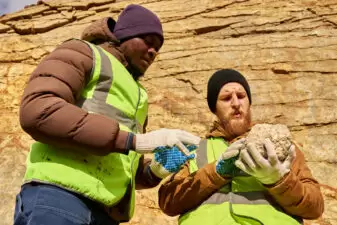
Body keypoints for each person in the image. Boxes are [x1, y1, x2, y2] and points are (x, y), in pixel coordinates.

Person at [13, 4, 200, 225]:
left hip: (105, 216)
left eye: (157, 48)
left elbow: (125, 162)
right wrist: (134, 140)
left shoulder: (139, 95)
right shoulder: (83, 52)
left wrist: (155, 171)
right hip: (60, 198)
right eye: (148, 41)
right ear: (124, 35)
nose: (153, 52)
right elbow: (39, 110)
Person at [158, 69, 324, 225]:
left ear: (249, 102)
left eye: (241, 96)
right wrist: (215, 172)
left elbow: (315, 207)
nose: (236, 103)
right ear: (214, 108)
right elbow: (168, 202)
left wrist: (279, 180)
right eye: (226, 98)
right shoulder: (196, 149)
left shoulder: (278, 144)